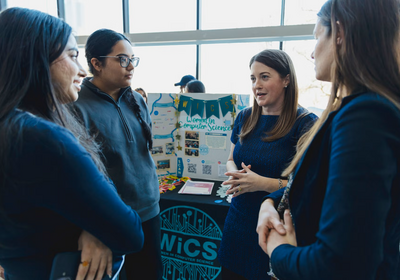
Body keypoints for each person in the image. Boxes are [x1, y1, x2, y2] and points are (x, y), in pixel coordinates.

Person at [256, 0, 400, 279]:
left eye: (316, 36)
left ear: (339, 31)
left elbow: (340, 265)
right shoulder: (352, 111)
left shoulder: (366, 115)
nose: (312, 52)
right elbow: (317, 185)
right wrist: (270, 203)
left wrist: (278, 250)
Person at [0, 7, 144, 280]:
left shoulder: (12, 125)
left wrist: (90, 224)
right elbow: (130, 233)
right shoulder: (41, 138)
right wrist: (98, 225)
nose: (80, 70)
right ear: (36, 57)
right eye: (72, 55)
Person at [217, 49, 318, 280]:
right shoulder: (245, 116)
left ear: (286, 80)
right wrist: (237, 176)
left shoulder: (305, 124)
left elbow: (306, 186)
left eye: (264, 77)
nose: (257, 85)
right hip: (237, 225)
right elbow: (232, 159)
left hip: (276, 232)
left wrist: (260, 183)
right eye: (253, 78)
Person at [72, 29, 162, 280]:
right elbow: (77, 177)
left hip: (149, 211)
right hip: (109, 218)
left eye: (133, 59)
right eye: (122, 59)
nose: (130, 66)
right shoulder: (77, 105)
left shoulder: (137, 100)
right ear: (96, 64)